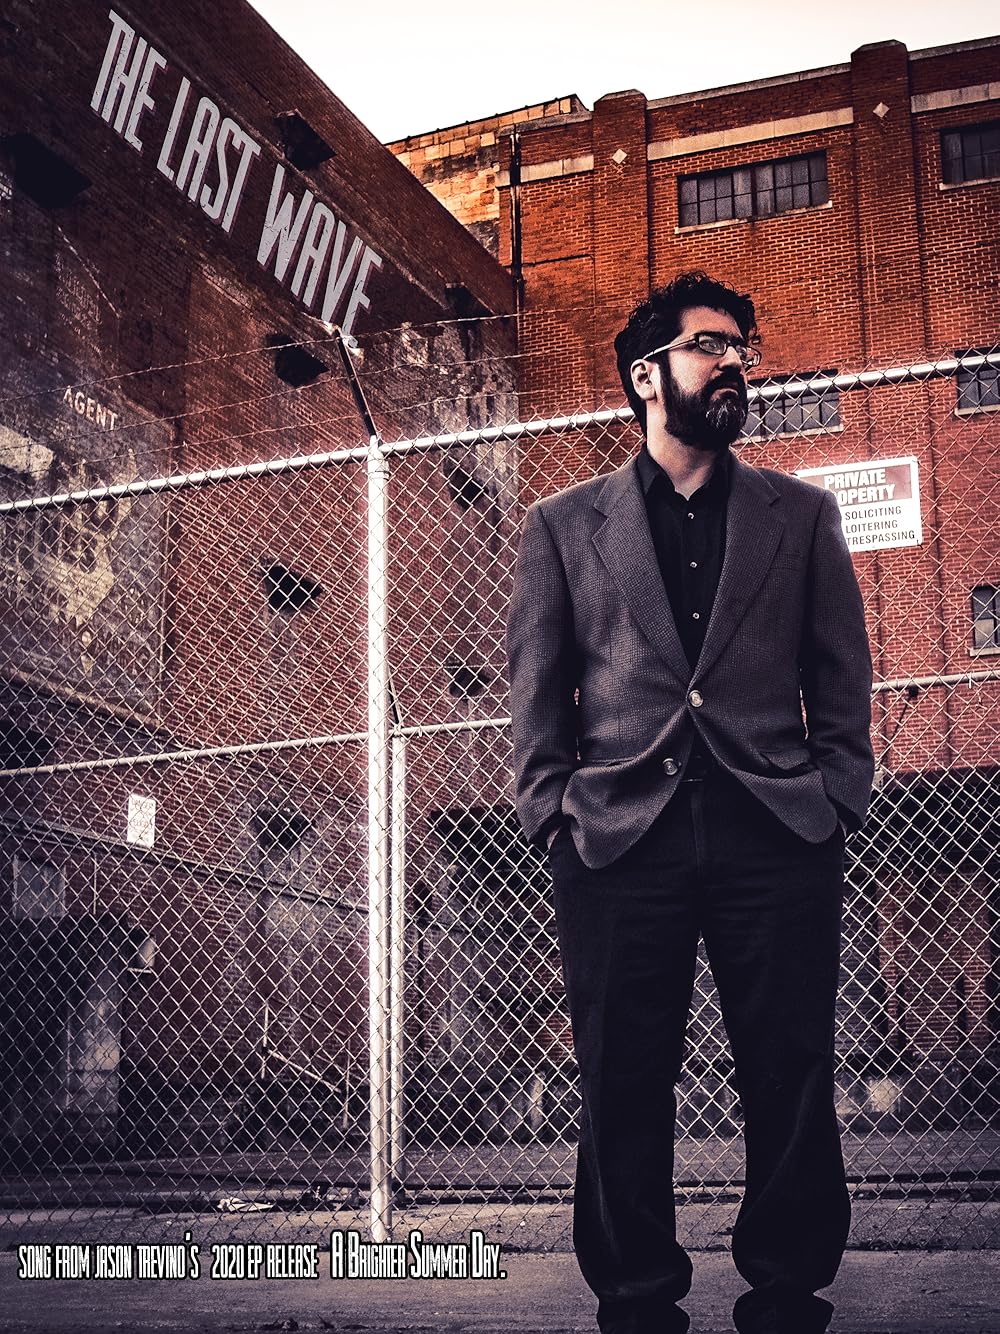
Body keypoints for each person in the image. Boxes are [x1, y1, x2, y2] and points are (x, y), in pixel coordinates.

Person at [506, 271, 874, 1334]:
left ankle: (788, 1287)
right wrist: (553, 814)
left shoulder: (801, 515)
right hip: (620, 839)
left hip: (777, 828)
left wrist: (836, 795)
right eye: (710, 344)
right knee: (622, 1075)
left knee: (789, 1067)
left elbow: (839, 672)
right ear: (646, 376)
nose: (734, 362)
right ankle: (635, 1295)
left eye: (740, 346)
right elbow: (537, 690)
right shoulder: (562, 525)